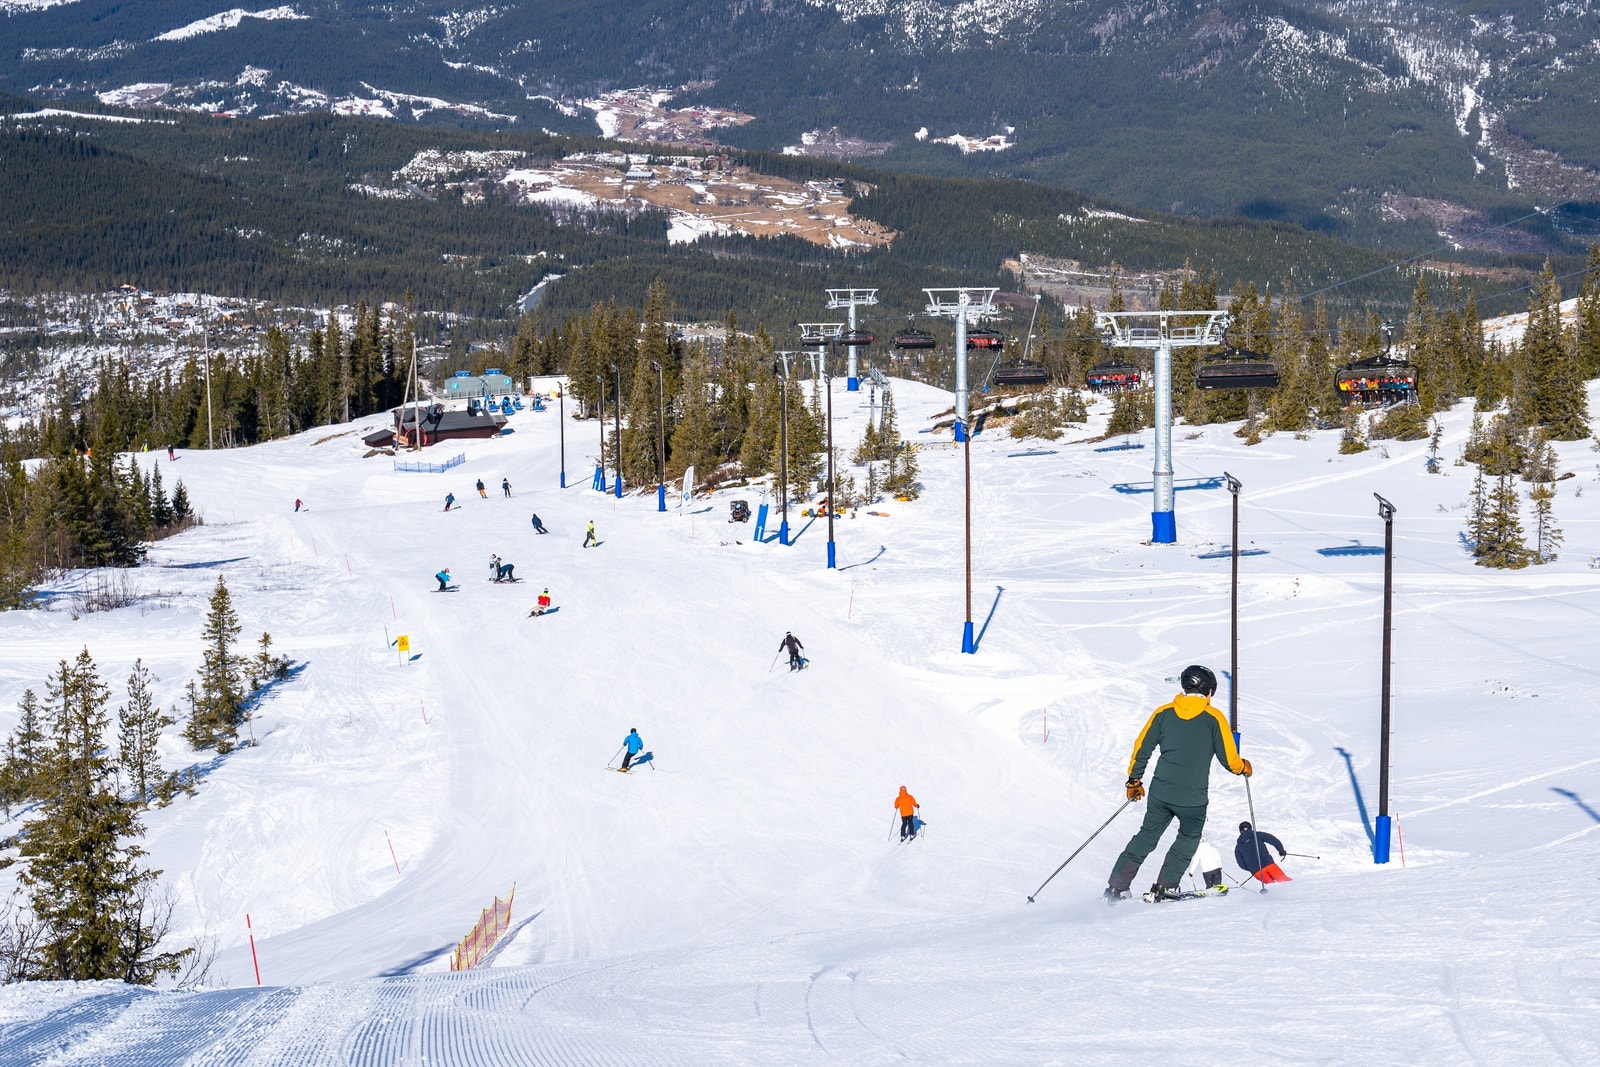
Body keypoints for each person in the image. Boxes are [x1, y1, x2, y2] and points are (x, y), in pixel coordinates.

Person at [1103, 665, 1252, 903]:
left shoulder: (1163, 713)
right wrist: (1243, 767)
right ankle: (1165, 886)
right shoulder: (1214, 718)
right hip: (1192, 799)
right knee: (1188, 837)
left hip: (1161, 793)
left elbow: (1142, 748)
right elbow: (1229, 760)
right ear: (1209, 691)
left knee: (1146, 836)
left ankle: (1116, 887)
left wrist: (1134, 780)